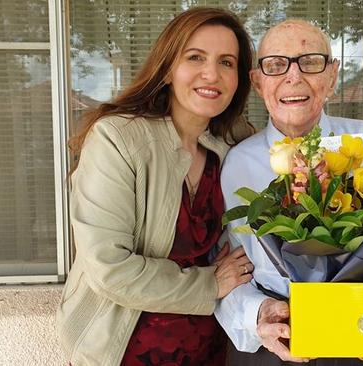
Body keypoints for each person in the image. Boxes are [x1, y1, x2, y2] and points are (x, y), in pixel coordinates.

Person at [215, 19, 363, 366]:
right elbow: (224, 269)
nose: (293, 76)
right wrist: (257, 314)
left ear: (333, 75)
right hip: (276, 345)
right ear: (257, 81)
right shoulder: (236, 163)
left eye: (310, 61)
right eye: (276, 64)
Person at [56, 7, 257, 366]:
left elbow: (291, 163)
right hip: (123, 348)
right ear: (167, 69)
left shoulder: (234, 141)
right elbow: (110, 268)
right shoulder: (118, 138)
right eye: (195, 57)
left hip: (211, 348)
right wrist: (210, 284)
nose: (212, 73)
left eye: (227, 62)